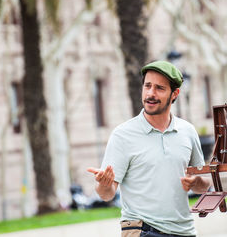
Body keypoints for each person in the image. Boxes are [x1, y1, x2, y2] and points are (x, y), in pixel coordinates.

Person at [87, 60, 211, 237]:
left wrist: (197, 182)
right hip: (142, 230)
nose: (150, 94)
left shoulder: (188, 132)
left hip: (185, 231)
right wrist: (103, 184)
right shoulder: (123, 135)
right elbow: (106, 194)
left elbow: (204, 184)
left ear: (175, 94)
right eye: (147, 86)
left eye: (159, 88)